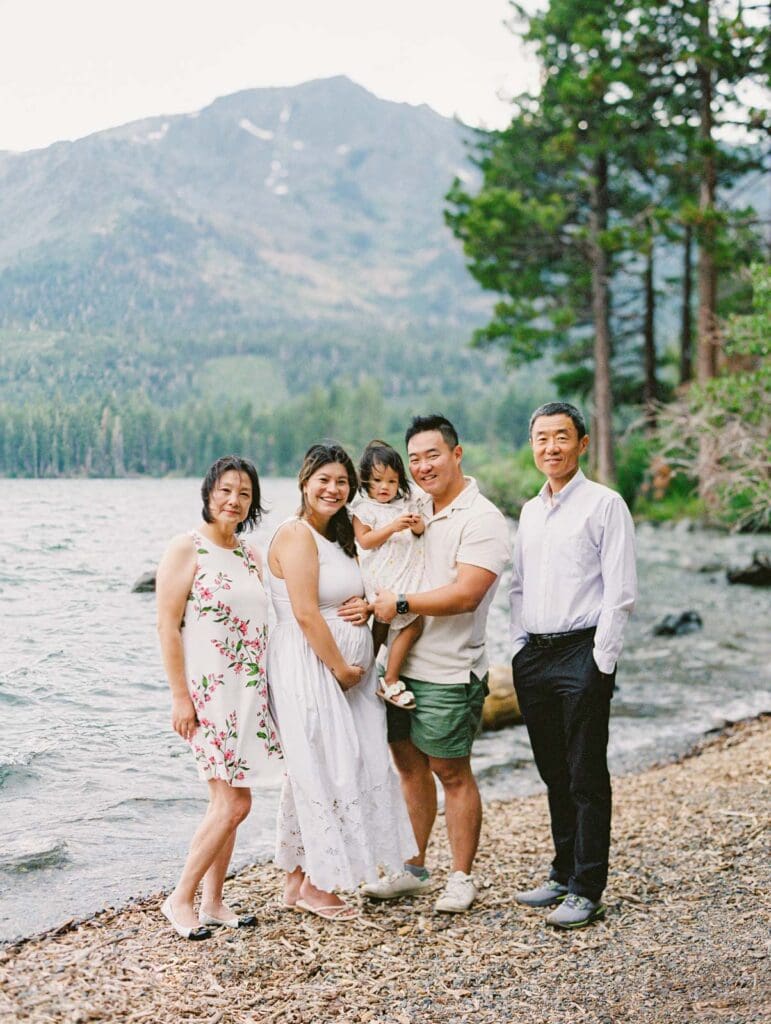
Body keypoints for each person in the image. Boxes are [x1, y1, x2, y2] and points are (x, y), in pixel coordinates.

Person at [266, 442, 417, 920]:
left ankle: (298, 880)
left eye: (342, 482)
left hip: (347, 671)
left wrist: (369, 612)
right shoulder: (295, 535)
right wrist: (341, 669)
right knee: (325, 763)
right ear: (304, 481)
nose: (333, 489)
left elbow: (363, 592)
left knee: (336, 763)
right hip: (311, 666)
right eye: (324, 480)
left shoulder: (337, 537)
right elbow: (308, 614)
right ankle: (315, 883)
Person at [368, 415, 510, 913]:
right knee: (408, 767)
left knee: (451, 771)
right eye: (415, 459)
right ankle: (414, 868)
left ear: (456, 453)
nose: (422, 466)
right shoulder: (413, 507)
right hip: (397, 667)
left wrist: (400, 604)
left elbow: (468, 595)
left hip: (450, 668)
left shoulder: (483, 519)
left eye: (432, 454)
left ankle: (462, 876)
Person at [509, 402, 637, 929]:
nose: (551, 448)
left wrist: (600, 662)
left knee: (586, 773)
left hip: (582, 652)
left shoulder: (605, 505)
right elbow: (517, 585)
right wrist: (520, 646)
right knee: (553, 771)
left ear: (582, 443)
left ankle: (587, 887)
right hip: (535, 654)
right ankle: (562, 872)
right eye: (541, 438)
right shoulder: (528, 511)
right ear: (533, 445)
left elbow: (621, 591)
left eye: (561, 437)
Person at [156, 455, 281, 940]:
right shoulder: (186, 548)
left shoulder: (251, 554)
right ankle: (180, 898)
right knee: (232, 802)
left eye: (244, 493)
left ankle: (212, 901)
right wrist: (179, 697)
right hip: (209, 695)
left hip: (249, 691)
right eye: (226, 490)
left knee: (229, 799)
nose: (234, 499)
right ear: (209, 492)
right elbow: (167, 626)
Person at [352, 439, 425, 709]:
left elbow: (419, 533)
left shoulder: (405, 503)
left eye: (392, 482)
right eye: (378, 481)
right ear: (366, 481)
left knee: (384, 627)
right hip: (382, 575)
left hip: (403, 573)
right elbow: (365, 541)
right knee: (409, 623)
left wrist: (416, 524)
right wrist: (393, 527)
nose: (385, 487)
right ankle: (389, 678)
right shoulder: (364, 509)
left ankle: (367, 672)